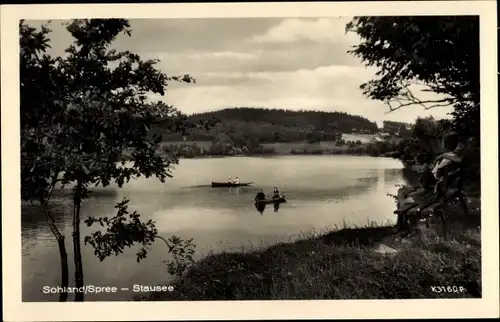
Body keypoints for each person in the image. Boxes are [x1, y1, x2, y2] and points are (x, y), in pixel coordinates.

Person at [393, 132, 463, 233]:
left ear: (445, 144)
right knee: (402, 192)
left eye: (444, 142)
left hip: (430, 193)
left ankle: (402, 225)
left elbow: (432, 180)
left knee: (403, 197)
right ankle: (402, 224)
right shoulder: (450, 157)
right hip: (433, 189)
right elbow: (457, 161)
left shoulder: (447, 159)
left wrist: (438, 160)